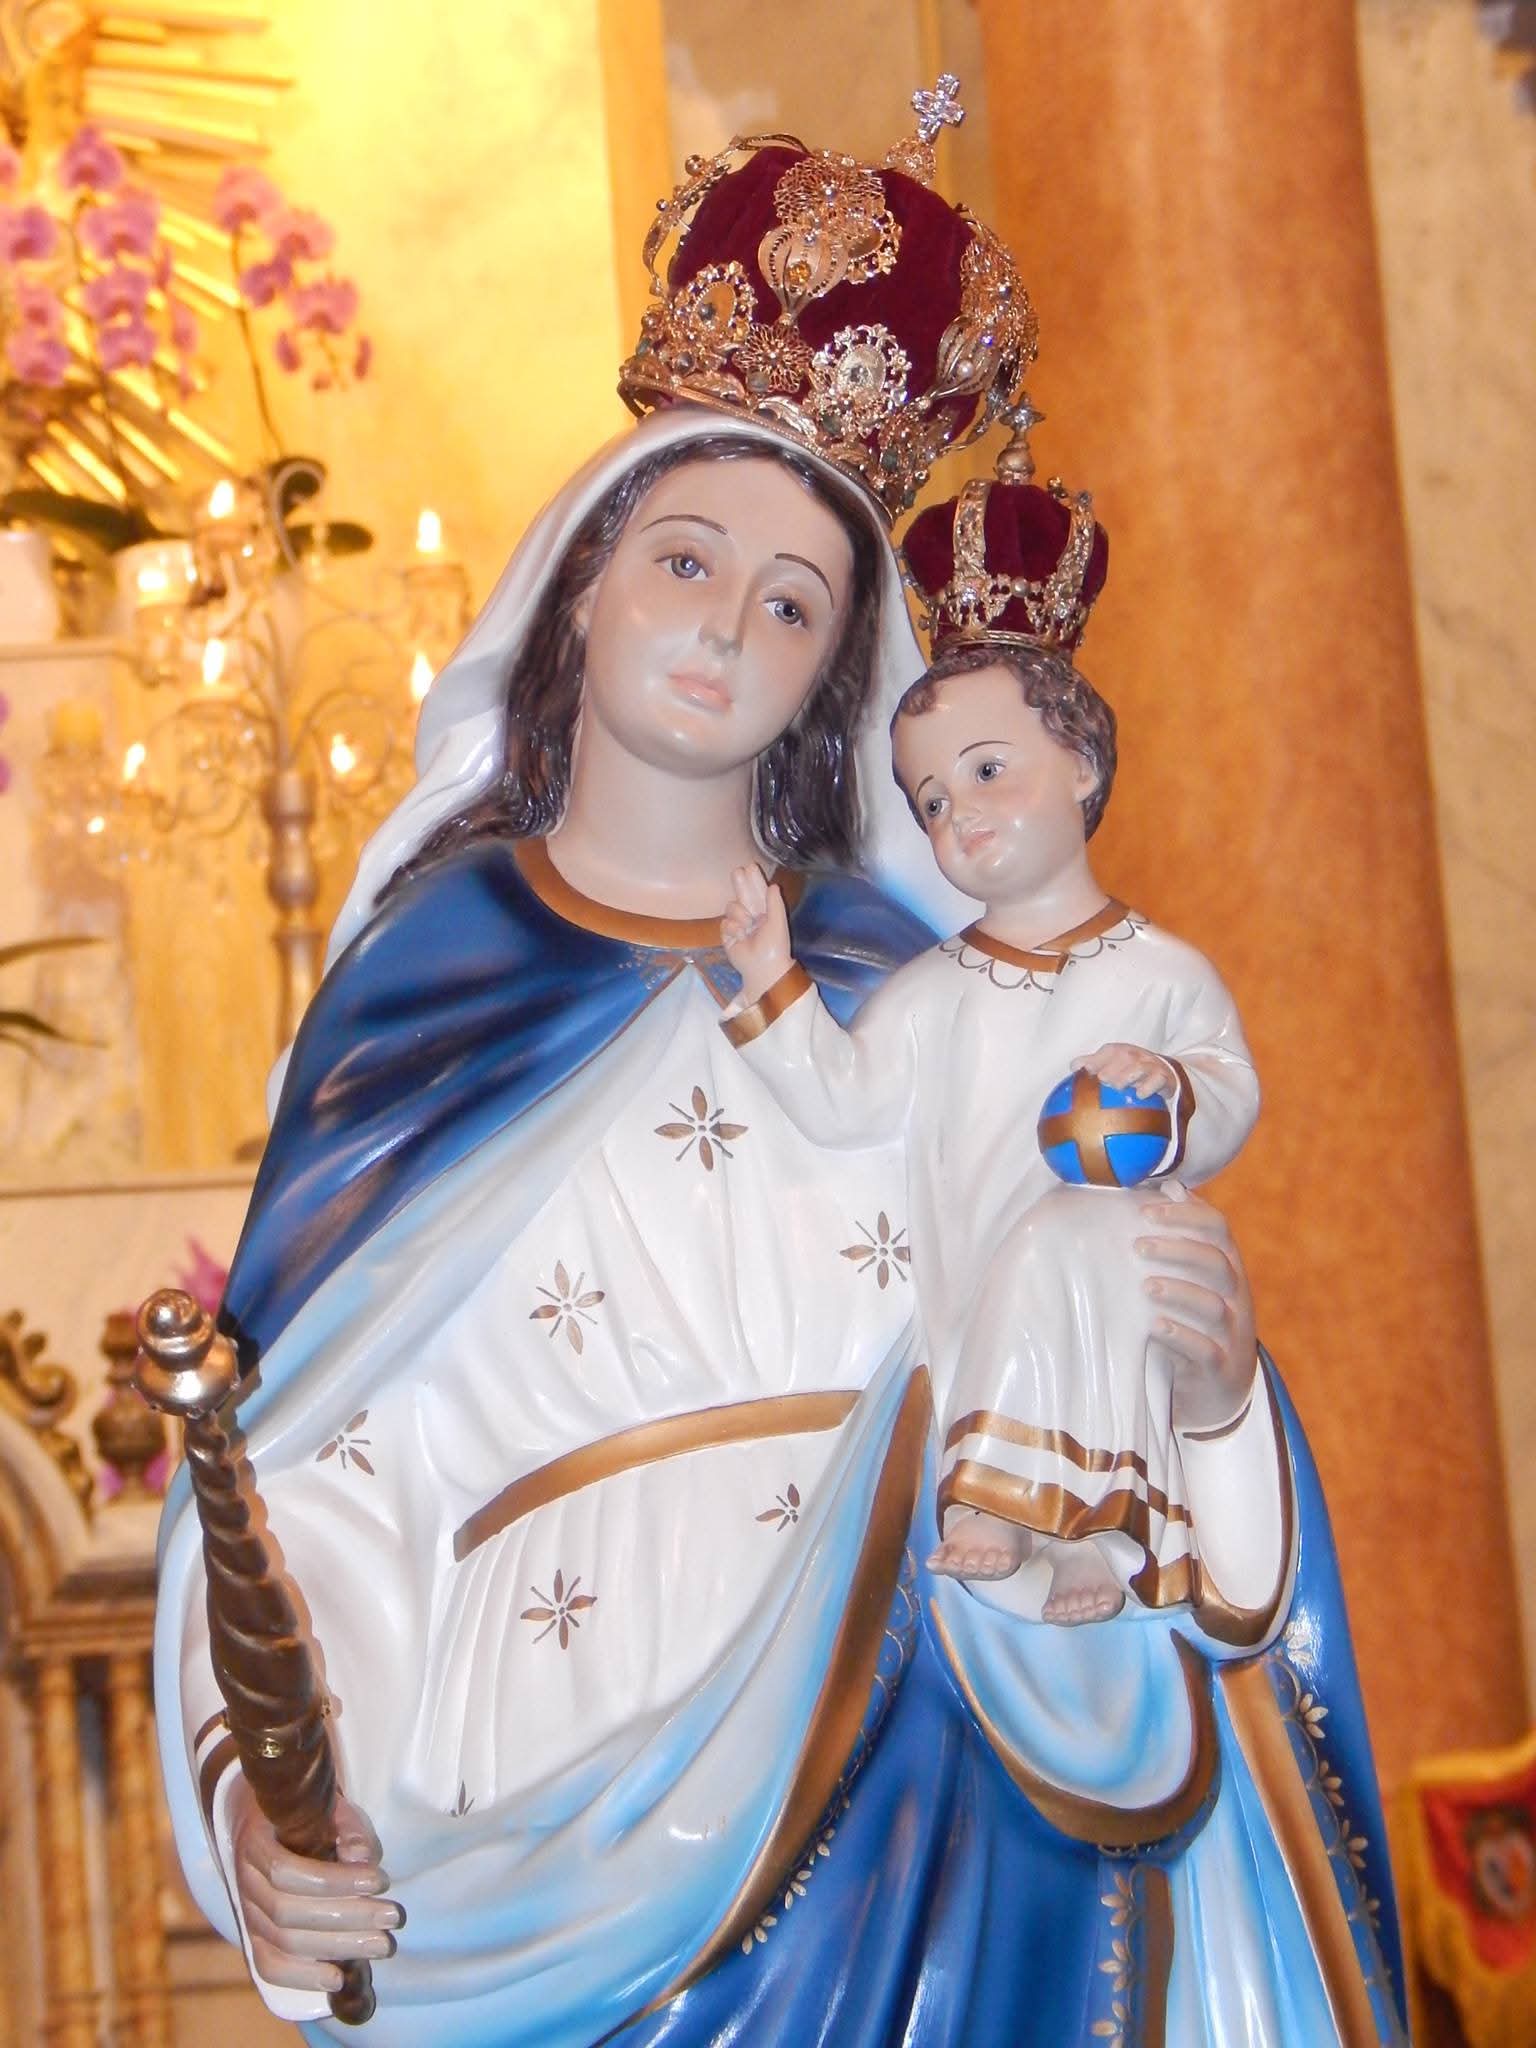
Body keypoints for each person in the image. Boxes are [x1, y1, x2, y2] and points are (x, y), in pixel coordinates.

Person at [153, 107, 1408, 2048]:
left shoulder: (920, 992)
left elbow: (1076, 1368)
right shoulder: (426, 991)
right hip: (548, 1799)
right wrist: (265, 1790)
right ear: (582, 578)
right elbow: (316, 1474)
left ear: (841, 672)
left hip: (940, 1763)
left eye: (796, 600)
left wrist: (1216, 1389)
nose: (730, 625)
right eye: (687, 558)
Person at [719, 628, 1261, 1627]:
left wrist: (1172, 1085)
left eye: (986, 771)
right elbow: (845, 1099)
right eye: (932, 801)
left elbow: (1229, 1091)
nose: (960, 812)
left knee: (1072, 1248)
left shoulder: (1163, 973)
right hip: (969, 1271)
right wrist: (770, 977)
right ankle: (1011, 1505)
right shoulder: (933, 993)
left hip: (1116, 1263)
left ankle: (1088, 1531)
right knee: (1013, 1303)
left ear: (1082, 766)